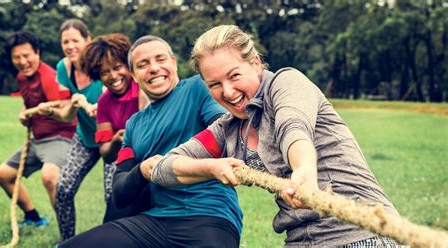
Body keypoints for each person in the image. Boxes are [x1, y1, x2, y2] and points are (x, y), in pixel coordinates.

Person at [151, 25, 402, 247]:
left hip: (360, 234)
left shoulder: (286, 84)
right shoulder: (226, 130)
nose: (227, 91)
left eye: (234, 75)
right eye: (214, 84)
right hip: (301, 241)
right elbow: (165, 168)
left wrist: (303, 169)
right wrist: (211, 167)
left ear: (256, 62)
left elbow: (293, 127)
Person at [58, 35, 242, 247]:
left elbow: (227, 134)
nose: (153, 68)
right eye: (142, 65)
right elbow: (119, 193)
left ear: (173, 62)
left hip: (209, 216)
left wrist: (178, 164)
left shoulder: (197, 88)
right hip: (155, 221)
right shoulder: (134, 125)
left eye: (160, 59)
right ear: (134, 75)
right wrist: (143, 170)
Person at [0, 31, 76, 228]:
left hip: (60, 137)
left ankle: (68, 236)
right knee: (3, 175)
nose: (22, 61)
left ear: (37, 53)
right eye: (17, 57)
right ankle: (33, 218)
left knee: (49, 176)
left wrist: (48, 111)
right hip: (37, 140)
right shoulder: (22, 78)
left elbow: (67, 112)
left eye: (26, 55)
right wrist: (24, 114)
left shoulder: (50, 77)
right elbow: (29, 105)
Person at [80, 33, 148, 223]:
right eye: (104, 72)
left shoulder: (142, 85)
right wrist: (117, 141)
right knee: (114, 217)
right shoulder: (104, 103)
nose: (113, 76)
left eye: (117, 67)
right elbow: (106, 155)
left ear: (129, 66)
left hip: (154, 163)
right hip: (127, 164)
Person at [49, 19, 107, 241]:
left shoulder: (103, 65)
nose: (70, 46)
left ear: (88, 40)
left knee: (113, 196)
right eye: (65, 42)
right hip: (85, 138)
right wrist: (62, 109)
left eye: (75, 40)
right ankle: (67, 242)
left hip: (113, 139)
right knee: (62, 190)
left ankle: (110, 243)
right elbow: (66, 115)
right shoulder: (64, 67)